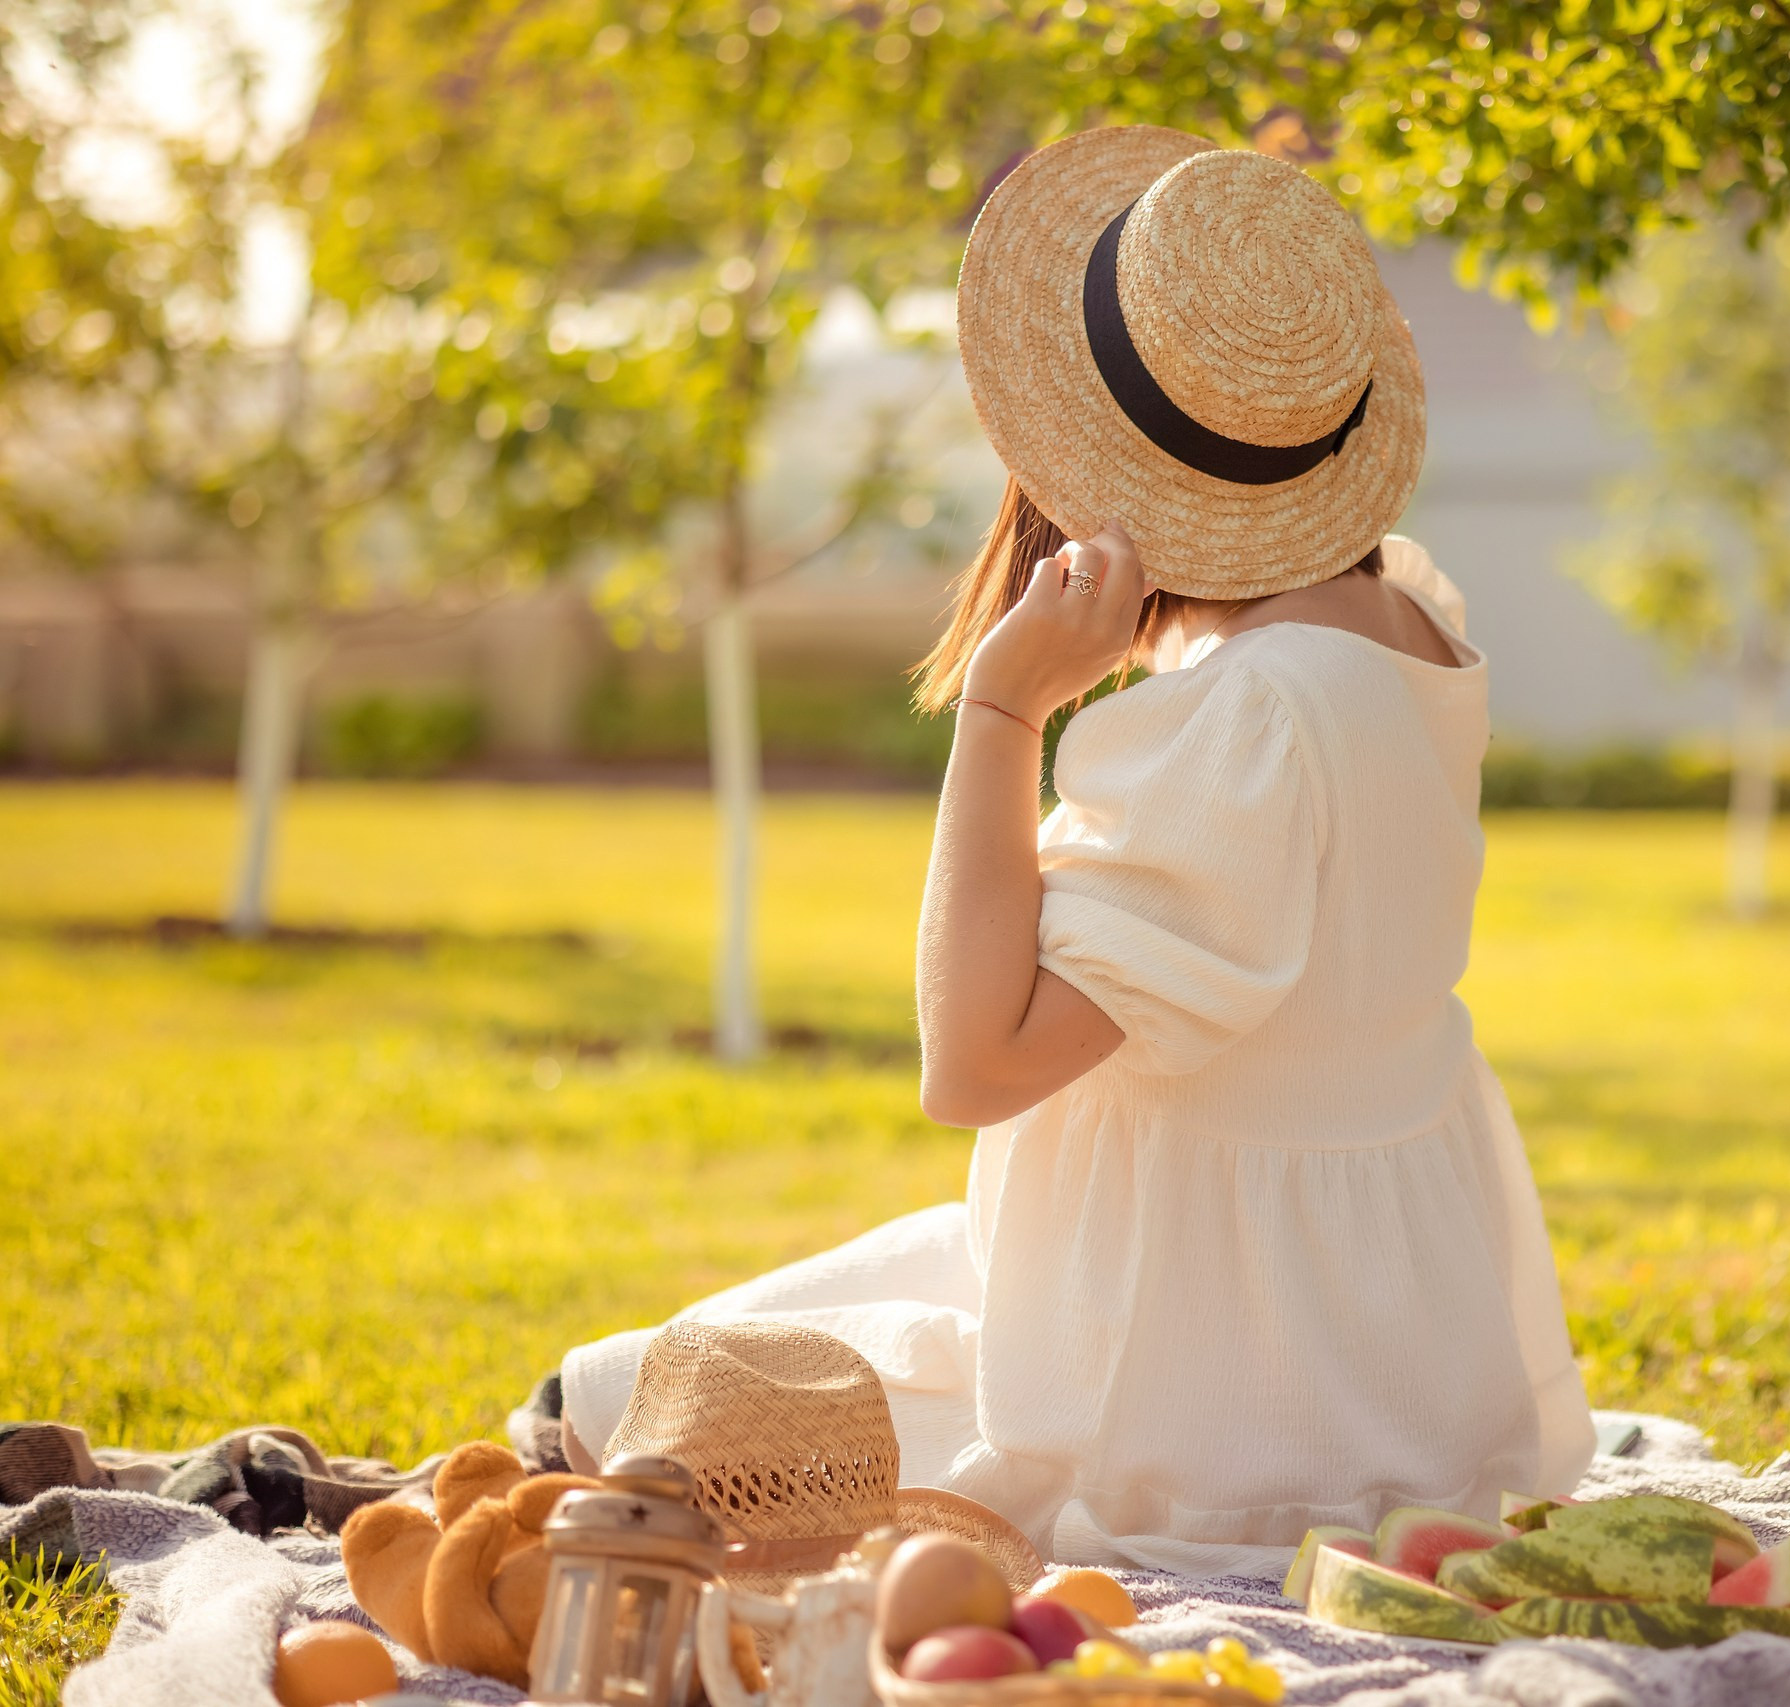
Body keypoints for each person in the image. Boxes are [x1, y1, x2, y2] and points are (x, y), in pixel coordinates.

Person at [559, 125, 1594, 1576]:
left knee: (637, 1413)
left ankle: (497, 1468)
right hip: (1373, 1349)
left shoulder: (1245, 718)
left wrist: (1005, 702)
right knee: (722, 1353)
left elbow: (971, 1066)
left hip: (1201, 1398)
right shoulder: (1412, 623)